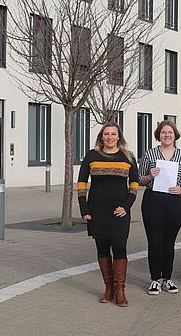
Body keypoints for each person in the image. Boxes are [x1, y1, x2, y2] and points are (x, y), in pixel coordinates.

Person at [77, 123, 139, 307]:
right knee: (102, 249)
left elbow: (134, 185)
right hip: (97, 211)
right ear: (101, 137)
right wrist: (84, 209)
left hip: (119, 211)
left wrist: (126, 206)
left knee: (120, 247)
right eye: (106, 134)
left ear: (119, 136)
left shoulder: (128, 157)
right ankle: (108, 289)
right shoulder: (92, 155)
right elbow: (81, 183)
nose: (110, 137)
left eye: (113, 134)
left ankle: (120, 290)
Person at [139, 120, 181, 295]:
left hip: (175, 201)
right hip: (153, 201)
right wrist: (150, 175)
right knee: (154, 241)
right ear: (158, 135)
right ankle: (155, 279)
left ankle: (167, 278)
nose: (167, 135)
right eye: (163, 132)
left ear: (175, 135)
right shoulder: (150, 154)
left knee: (168, 242)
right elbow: (140, 180)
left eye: (170, 132)